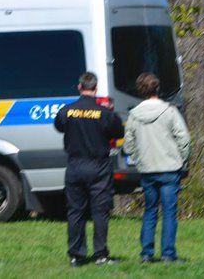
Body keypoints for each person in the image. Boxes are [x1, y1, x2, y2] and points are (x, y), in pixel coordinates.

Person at [54, 71, 125, 267]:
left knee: (75, 212)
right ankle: (101, 254)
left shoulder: (66, 111)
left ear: (79, 87)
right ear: (96, 88)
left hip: (75, 166)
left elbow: (59, 126)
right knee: (100, 212)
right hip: (98, 167)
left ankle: (76, 255)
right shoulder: (105, 114)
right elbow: (119, 132)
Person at [122, 72, 191, 264]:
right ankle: (168, 254)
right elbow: (184, 139)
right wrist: (182, 161)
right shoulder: (169, 111)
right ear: (157, 88)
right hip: (170, 168)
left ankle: (146, 253)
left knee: (150, 211)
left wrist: (137, 159)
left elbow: (128, 145)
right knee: (169, 212)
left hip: (147, 169)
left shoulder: (134, 115)